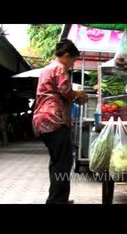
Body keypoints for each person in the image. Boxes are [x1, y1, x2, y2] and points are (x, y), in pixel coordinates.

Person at [32, 39, 88, 204]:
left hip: (42, 119)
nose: (72, 64)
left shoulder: (47, 68)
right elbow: (66, 91)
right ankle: (57, 201)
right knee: (63, 162)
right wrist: (79, 95)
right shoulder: (59, 68)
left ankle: (57, 199)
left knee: (58, 161)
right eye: (73, 60)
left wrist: (75, 96)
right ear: (65, 56)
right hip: (54, 119)